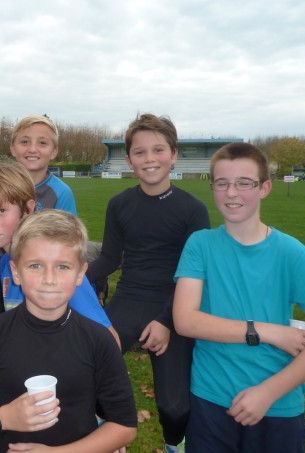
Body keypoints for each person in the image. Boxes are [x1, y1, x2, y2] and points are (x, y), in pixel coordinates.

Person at [173, 142, 305, 452]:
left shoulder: (292, 253)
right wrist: (264, 331)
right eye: (222, 183)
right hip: (211, 400)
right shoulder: (200, 245)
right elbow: (186, 320)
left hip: (277, 405)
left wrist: (267, 392)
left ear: (264, 187)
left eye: (244, 183)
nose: (232, 193)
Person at [0, 210, 138, 453]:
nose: (49, 278)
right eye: (35, 265)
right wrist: (2, 416)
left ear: (80, 274)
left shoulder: (98, 340)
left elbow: (124, 425)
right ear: (16, 272)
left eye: (62, 267)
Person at [86, 113, 210, 453]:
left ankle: (175, 446)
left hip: (175, 304)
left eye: (158, 150)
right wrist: (73, 281)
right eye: (140, 152)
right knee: (86, 376)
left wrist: (168, 321)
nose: (149, 159)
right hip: (129, 300)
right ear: (129, 160)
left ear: (173, 155)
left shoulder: (193, 209)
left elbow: (194, 276)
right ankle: (106, 439)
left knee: (175, 408)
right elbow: (109, 259)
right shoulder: (120, 204)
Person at [0, 162, 117, 345]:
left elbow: (109, 338)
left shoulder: (55, 270)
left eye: (1, 210)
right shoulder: (6, 263)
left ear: (27, 209)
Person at [0, 115, 79, 315]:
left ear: (54, 151)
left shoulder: (61, 193)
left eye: (42, 143)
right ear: (13, 148)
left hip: (40, 283)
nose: (32, 149)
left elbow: (70, 243)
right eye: (25, 141)